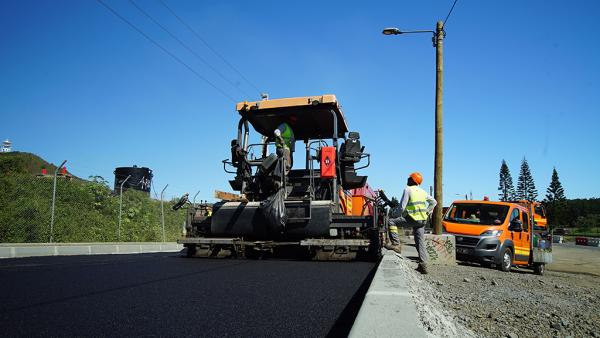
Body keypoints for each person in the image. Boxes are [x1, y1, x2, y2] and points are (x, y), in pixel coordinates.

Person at [386, 172, 437, 274]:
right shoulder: (423, 191)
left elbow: (402, 207)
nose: (407, 179)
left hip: (413, 219)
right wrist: (427, 211)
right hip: (422, 220)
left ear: (412, 180)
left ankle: (396, 244)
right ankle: (423, 265)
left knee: (391, 222)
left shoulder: (408, 189)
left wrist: (394, 214)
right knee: (420, 242)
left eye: (409, 178)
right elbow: (434, 202)